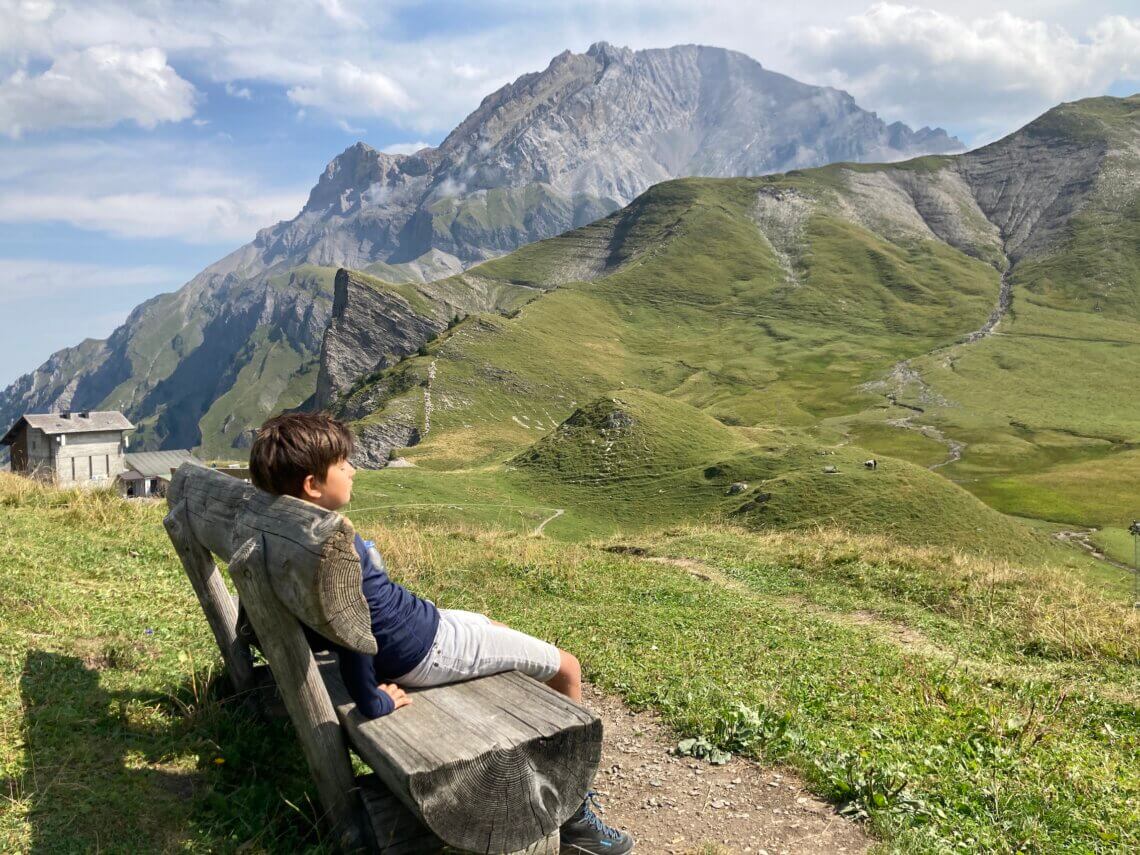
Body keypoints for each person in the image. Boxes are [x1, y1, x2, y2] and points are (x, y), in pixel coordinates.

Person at [248, 412, 633, 854]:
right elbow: (351, 631)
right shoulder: (335, 545)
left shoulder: (286, 529)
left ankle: (532, 752)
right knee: (567, 667)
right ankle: (575, 815)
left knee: (492, 626)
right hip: (427, 650)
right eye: (343, 464)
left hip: (423, 627)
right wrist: (372, 700)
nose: (353, 469)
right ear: (313, 485)